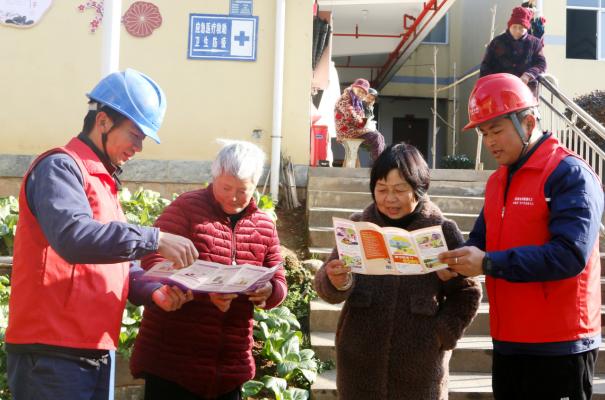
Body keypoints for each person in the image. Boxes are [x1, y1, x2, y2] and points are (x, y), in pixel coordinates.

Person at [5, 69, 199, 400]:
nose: (138, 147)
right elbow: (74, 237)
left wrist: (153, 291)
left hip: (93, 348)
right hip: (52, 352)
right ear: (104, 121)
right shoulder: (60, 168)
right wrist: (155, 239)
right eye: (136, 135)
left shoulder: (102, 182)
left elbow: (117, 264)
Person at [439, 73, 604, 399]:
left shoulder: (569, 174)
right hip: (510, 341)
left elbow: (569, 255)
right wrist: (454, 262)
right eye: (485, 133)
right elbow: (480, 240)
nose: (490, 142)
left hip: (561, 345)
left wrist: (488, 263)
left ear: (528, 123)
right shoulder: (497, 182)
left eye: (497, 130)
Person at [314, 143, 481, 400]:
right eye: (381, 190)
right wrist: (335, 280)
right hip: (359, 362)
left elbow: (468, 291)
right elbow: (328, 287)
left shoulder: (442, 231)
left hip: (420, 367)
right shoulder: (358, 226)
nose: (389, 199)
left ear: (419, 189)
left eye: (400, 189)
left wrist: (442, 334)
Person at [129, 140, 288, 400]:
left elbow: (278, 278)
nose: (233, 197)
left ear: (255, 186)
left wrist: (270, 291)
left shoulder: (264, 225)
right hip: (173, 361)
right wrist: (199, 291)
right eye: (225, 187)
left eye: (242, 190)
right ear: (214, 177)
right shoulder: (187, 207)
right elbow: (153, 256)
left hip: (228, 365)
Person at [479, 6, 546, 97]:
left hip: (526, 92)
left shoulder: (535, 43)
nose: (517, 31)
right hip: (500, 91)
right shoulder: (497, 42)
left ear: (526, 28)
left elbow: (541, 64)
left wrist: (528, 75)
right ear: (509, 26)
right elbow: (485, 66)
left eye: (521, 28)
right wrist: (489, 85)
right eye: (514, 27)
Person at [334, 78, 385, 162]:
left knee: (380, 137)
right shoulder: (345, 99)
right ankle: (379, 166)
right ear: (354, 87)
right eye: (359, 90)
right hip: (346, 130)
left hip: (354, 128)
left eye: (363, 92)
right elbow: (351, 116)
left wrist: (366, 120)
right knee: (376, 137)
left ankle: (380, 163)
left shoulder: (356, 100)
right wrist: (365, 123)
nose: (361, 94)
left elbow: (361, 117)